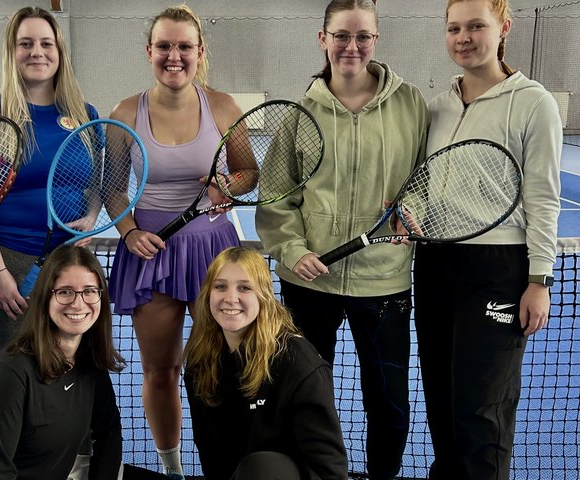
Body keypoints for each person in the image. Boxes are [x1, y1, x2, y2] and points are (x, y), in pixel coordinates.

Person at [255, 1, 429, 479]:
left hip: (385, 283)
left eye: (363, 37)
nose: (352, 47)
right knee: (303, 396)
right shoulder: (297, 114)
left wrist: (413, 211)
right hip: (310, 284)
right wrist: (293, 250)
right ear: (322, 38)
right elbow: (275, 198)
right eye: (341, 36)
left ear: (376, 39)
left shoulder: (411, 103)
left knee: (389, 402)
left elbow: (425, 181)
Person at [414, 1, 562, 478]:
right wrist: (409, 215)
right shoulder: (435, 106)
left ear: (503, 28)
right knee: (441, 400)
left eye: (476, 25)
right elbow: (420, 185)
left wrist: (540, 278)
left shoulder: (533, 101)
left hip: (498, 268)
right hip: (434, 265)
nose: (463, 37)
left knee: (481, 410)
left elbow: (543, 195)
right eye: (454, 27)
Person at [107, 5, 252, 478]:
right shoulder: (126, 112)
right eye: (164, 46)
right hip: (151, 253)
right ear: (149, 52)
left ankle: (228, 465)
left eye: (184, 46)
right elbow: (111, 187)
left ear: (200, 53)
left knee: (225, 370)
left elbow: (248, 172)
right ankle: (173, 471)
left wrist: (227, 186)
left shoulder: (225, 106)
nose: (174, 56)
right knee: (161, 372)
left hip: (214, 254)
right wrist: (129, 233)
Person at [0, 6, 98, 355]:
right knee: (20, 367)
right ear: (12, 52)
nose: (37, 52)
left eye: (46, 43)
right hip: (12, 259)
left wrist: (93, 216)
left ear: (59, 52)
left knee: (73, 366)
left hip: (72, 263)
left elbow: (98, 179)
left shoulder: (86, 114)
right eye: (26, 44)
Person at [184, 247, 348, 480]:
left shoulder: (296, 361)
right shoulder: (202, 355)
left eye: (244, 287)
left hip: (280, 474)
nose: (230, 298)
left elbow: (329, 468)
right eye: (220, 286)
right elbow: (210, 449)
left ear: (264, 295)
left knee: (262, 467)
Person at [0, 244, 124, 479]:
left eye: (89, 291)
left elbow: (109, 432)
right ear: (46, 297)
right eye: (65, 292)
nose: (78, 304)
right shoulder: (10, 374)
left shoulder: (89, 361)